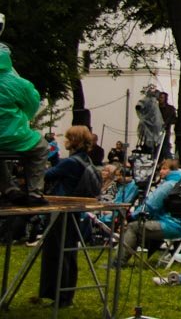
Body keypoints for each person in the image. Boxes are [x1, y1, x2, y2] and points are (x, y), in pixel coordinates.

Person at [39, 125, 101, 307]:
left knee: (58, 253)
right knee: (68, 253)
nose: (64, 141)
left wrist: (49, 158)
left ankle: (60, 297)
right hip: (75, 212)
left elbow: (46, 175)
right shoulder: (85, 160)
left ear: (73, 141)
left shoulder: (70, 162)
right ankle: (65, 296)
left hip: (62, 211)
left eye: (67, 138)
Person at [114, 159, 181, 267]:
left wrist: (132, 216)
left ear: (173, 170)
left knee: (133, 227)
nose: (161, 171)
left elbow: (150, 205)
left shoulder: (168, 185)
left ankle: (117, 263)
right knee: (139, 228)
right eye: (160, 169)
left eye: (164, 169)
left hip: (170, 225)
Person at [0, 43, 49, 205]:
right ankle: (34, 193)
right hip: (14, 137)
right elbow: (32, 107)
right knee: (41, 148)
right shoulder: (19, 84)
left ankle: (8, 188)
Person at [157, 91, 177, 156]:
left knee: (164, 145)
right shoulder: (156, 108)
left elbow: (174, 119)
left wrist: (167, 123)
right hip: (156, 130)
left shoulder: (170, 109)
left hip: (165, 131)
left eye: (162, 98)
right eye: (160, 97)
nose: (160, 99)